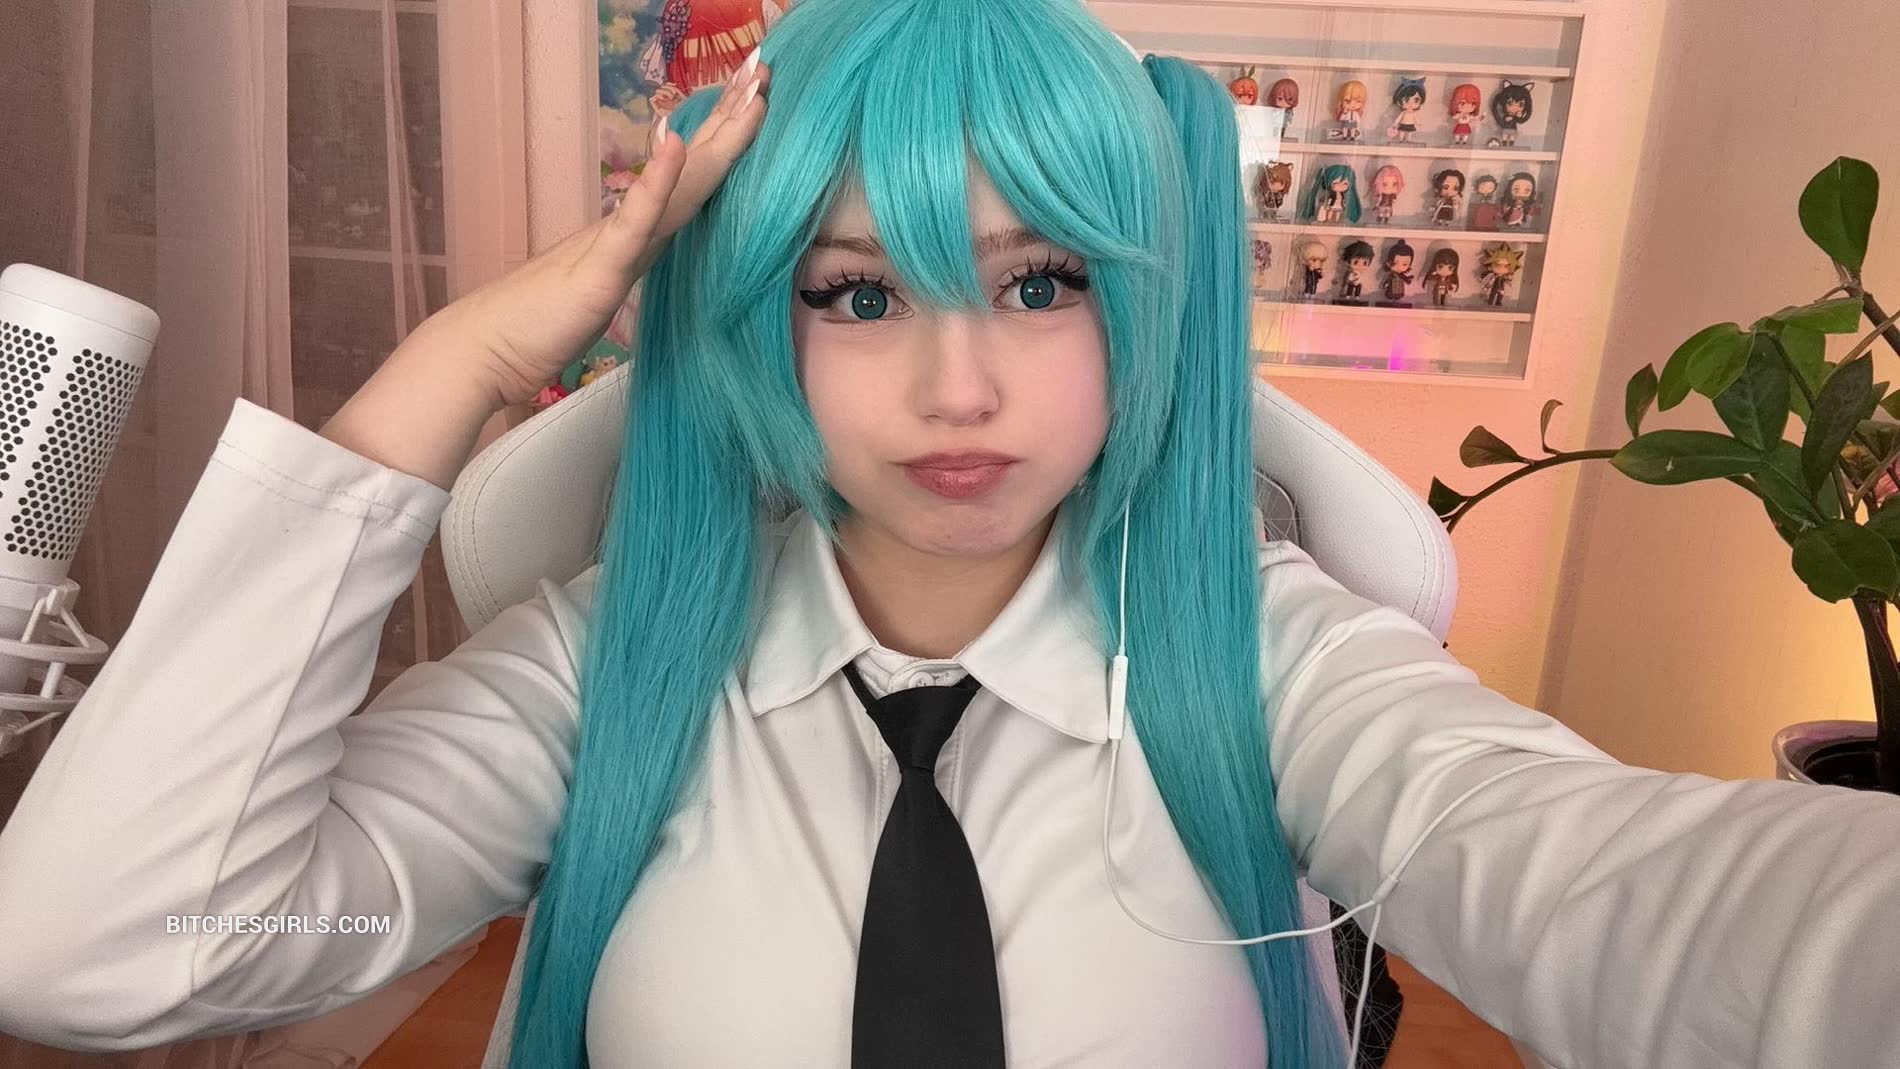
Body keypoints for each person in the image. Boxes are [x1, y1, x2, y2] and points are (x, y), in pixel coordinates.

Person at [2, 4, 1899, 1069]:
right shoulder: (607, 674)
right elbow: (110, 947)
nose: (959, 386)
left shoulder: (1267, 662)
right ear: (764, 323)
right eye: (858, 294)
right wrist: (457, 361)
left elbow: (1622, 893)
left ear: (1136, 304)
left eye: (1040, 280)